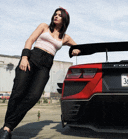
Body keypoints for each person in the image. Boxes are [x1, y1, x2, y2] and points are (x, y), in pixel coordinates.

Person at [0, 7, 80, 139]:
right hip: (32, 59)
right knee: (18, 93)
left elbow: (77, 48)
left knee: (34, 96)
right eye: (55, 14)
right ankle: (7, 128)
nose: (56, 16)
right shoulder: (44, 27)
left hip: (45, 66)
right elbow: (30, 40)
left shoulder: (65, 37)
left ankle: (6, 127)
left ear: (64, 19)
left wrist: (74, 51)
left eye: (60, 15)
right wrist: (25, 57)